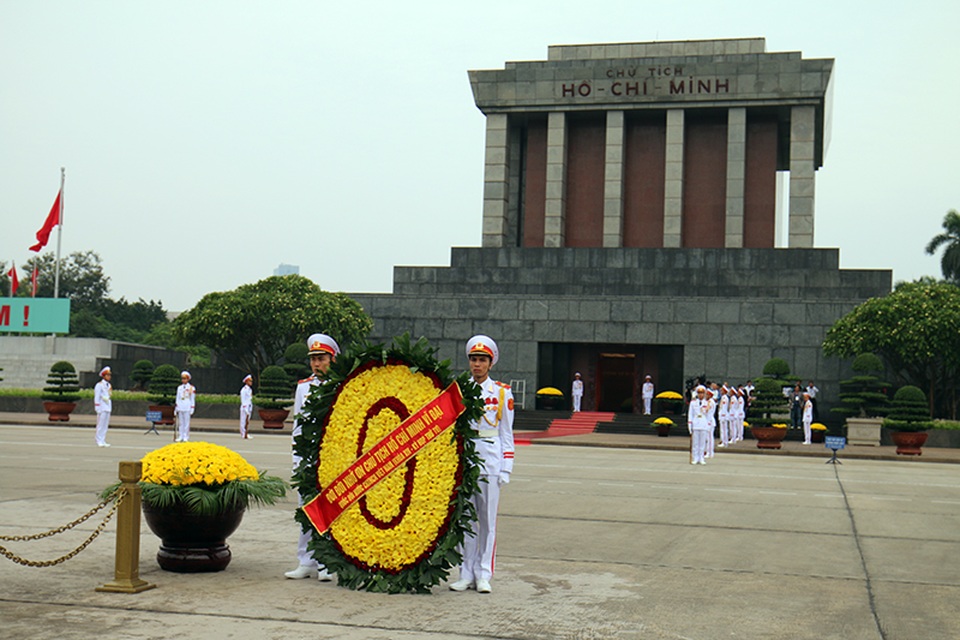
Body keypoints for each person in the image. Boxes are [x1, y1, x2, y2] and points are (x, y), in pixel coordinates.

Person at [450, 335, 515, 595]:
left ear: (491, 363)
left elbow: (507, 433)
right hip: (466, 459)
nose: (477, 365)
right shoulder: (459, 389)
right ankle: (466, 573)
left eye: (482, 360)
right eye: (473, 359)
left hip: (490, 458)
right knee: (467, 519)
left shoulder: (501, 392)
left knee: (487, 521)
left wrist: (506, 467)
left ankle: (484, 573)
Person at [285, 332, 340, 582]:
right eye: (314, 359)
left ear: (333, 359)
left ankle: (327, 561)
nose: (317, 364)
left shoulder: (341, 387)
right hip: (307, 458)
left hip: (332, 459)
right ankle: (306, 561)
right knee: (306, 510)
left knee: (330, 511)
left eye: (322, 358)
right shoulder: (303, 387)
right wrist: (298, 460)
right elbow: (298, 426)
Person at [687, 385, 712, 465]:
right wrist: (690, 425)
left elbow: (709, 415)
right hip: (696, 423)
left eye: (702, 393)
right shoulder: (693, 403)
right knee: (695, 443)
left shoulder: (707, 403)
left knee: (702, 443)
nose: (701, 395)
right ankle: (695, 457)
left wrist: (708, 425)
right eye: (699, 393)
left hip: (703, 423)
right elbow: (690, 414)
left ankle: (701, 457)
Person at [93, 366, 112, 447]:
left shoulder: (109, 385)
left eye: (110, 375)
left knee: (105, 425)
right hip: (102, 407)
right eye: (107, 375)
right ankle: (98, 440)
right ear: (104, 376)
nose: (109, 377)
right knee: (100, 425)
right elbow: (97, 396)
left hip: (107, 407)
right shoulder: (99, 385)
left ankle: (103, 439)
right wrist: (97, 407)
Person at [175, 371, 196, 442]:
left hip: (187, 406)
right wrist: (176, 408)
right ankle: (180, 436)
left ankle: (185, 436)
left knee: (186, 423)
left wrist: (192, 407)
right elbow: (177, 398)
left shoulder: (191, 388)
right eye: (182, 379)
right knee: (181, 423)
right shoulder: (179, 388)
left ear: (188, 379)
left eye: (185, 379)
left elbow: (192, 398)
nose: (183, 380)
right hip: (180, 406)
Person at [239, 374, 253, 439]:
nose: (251, 382)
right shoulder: (244, 390)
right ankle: (243, 434)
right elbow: (243, 399)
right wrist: (245, 408)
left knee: (247, 421)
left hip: (249, 406)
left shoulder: (249, 389)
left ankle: (246, 433)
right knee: (243, 421)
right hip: (245, 407)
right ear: (246, 382)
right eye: (250, 381)